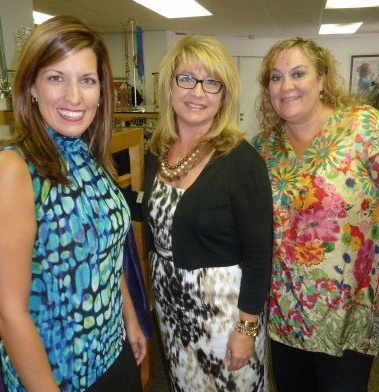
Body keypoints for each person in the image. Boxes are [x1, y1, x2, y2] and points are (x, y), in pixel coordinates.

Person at [252, 37, 379, 392]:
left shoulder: (369, 130)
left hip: (350, 310)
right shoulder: (265, 147)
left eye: (298, 73)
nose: (286, 86)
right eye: (275, 78)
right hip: (283, 310)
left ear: (322, 79)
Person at [0, 15, 146, 391]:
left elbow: (108, 254)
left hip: (113, 355)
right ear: (32, 87)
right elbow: (8, 313)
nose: (74, 96)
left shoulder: (90, 156)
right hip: (56, 378)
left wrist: (130, 319)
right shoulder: (11, 171)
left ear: (102, 91)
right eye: (56, 78)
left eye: (87, 80)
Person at [124, 34, 273, 391]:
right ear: (170, 86)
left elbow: (259, 254)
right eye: (187, 79)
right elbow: (154, 209)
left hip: (223, 313)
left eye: (212, 83)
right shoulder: (158, 150)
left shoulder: (241, 161)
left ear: (224, 95)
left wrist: (246, 329)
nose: (198, 92)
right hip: (171, 305)